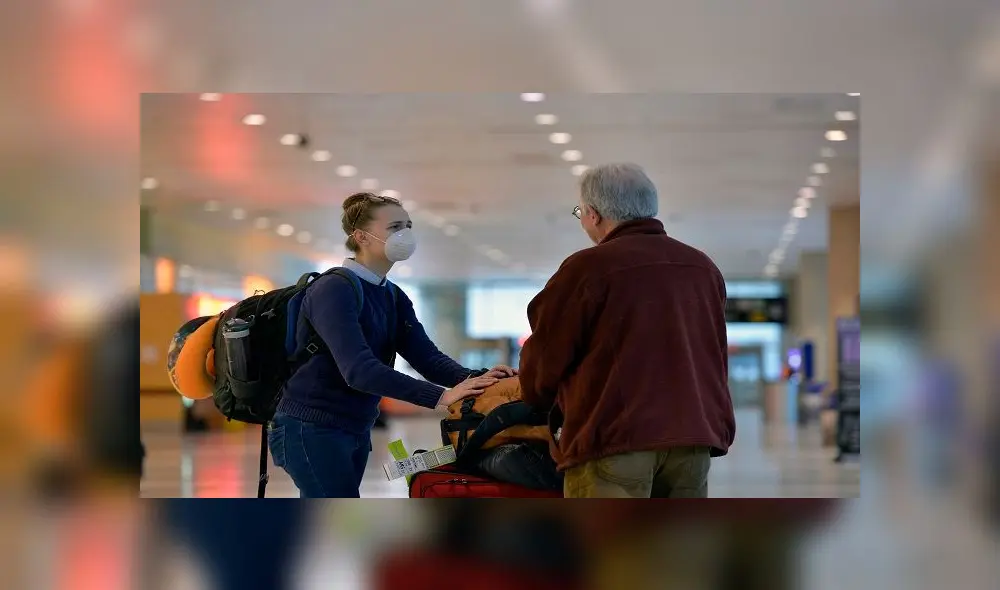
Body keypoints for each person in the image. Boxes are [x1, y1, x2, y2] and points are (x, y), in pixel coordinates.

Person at [270, 192, 515, 497]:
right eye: (395, 227)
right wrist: (442, 396)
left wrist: (478, 379)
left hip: (354, 426)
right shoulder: (333, 290)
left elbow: (427, 358)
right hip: (310, 427)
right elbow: (359, 371)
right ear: (361, 236)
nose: (406, 235)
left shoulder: (392, 295)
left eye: (408, 226)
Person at [519, 163, 735, 498]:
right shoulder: (702, 268)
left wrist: (532, 395)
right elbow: (715, 356)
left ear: (592, 214)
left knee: (610, 547)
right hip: (692, 442)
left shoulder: (587, 268)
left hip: (615, 439)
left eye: (580, 211)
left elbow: (547, 355)